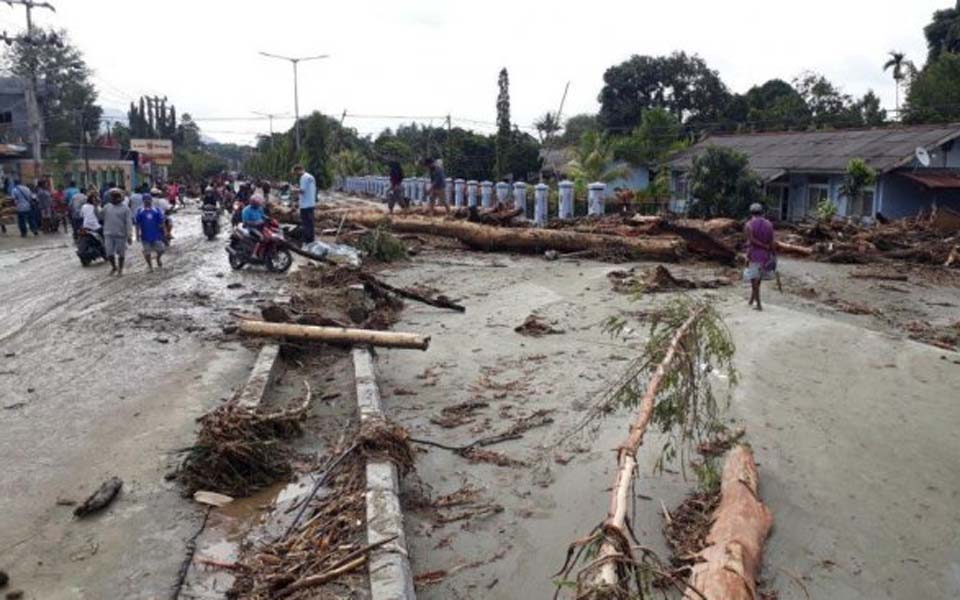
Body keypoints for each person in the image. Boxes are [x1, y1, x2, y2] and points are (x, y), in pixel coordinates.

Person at [744, 203, 776, 311]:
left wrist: (762, 246)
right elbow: (772, 241)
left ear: (751, 213)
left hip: (754, 255)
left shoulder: (749, 225)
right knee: (758, 280)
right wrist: (772, 253)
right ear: (762, 212)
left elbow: (751, 240)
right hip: (765, 255)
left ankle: (758, 305)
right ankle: (752, 300)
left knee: (753, 280)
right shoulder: (769, 224)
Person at [102, 189, 132, 276]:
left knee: (121, 253)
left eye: (115, 197)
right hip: (108, 234)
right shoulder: (107, 206)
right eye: (112, 197)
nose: (113, 199)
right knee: (109, 253)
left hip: (121, 235)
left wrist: (129, 234)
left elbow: (128, 222)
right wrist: (95, 207)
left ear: (120, 198)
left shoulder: (126, 209)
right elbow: (100, 215)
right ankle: (114, 267)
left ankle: (120, 269)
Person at [135, 195, 166, 271]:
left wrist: (164, 232)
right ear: (143, 201)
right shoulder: (140, 211)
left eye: (149, 200)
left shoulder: (156, 210)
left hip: (156, 235)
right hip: (145, 236)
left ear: (151, 200)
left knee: (161, 250)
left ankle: (158, 259)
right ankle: (150, 266)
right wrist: (137, 235)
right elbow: (137, 224)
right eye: (145, 200)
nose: (147, 201)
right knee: (147, 252)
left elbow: (162, 222)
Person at [292, 164, 316, 244]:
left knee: (306, 223)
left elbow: (302, 191)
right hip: (311, 203)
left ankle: (307, 240)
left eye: (295, 173)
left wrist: (293, 189)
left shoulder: (303, 177)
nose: (296, 175)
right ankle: (311, 239)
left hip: (305, 205)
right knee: (310, 223)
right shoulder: (310, 176)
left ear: (298, 170)